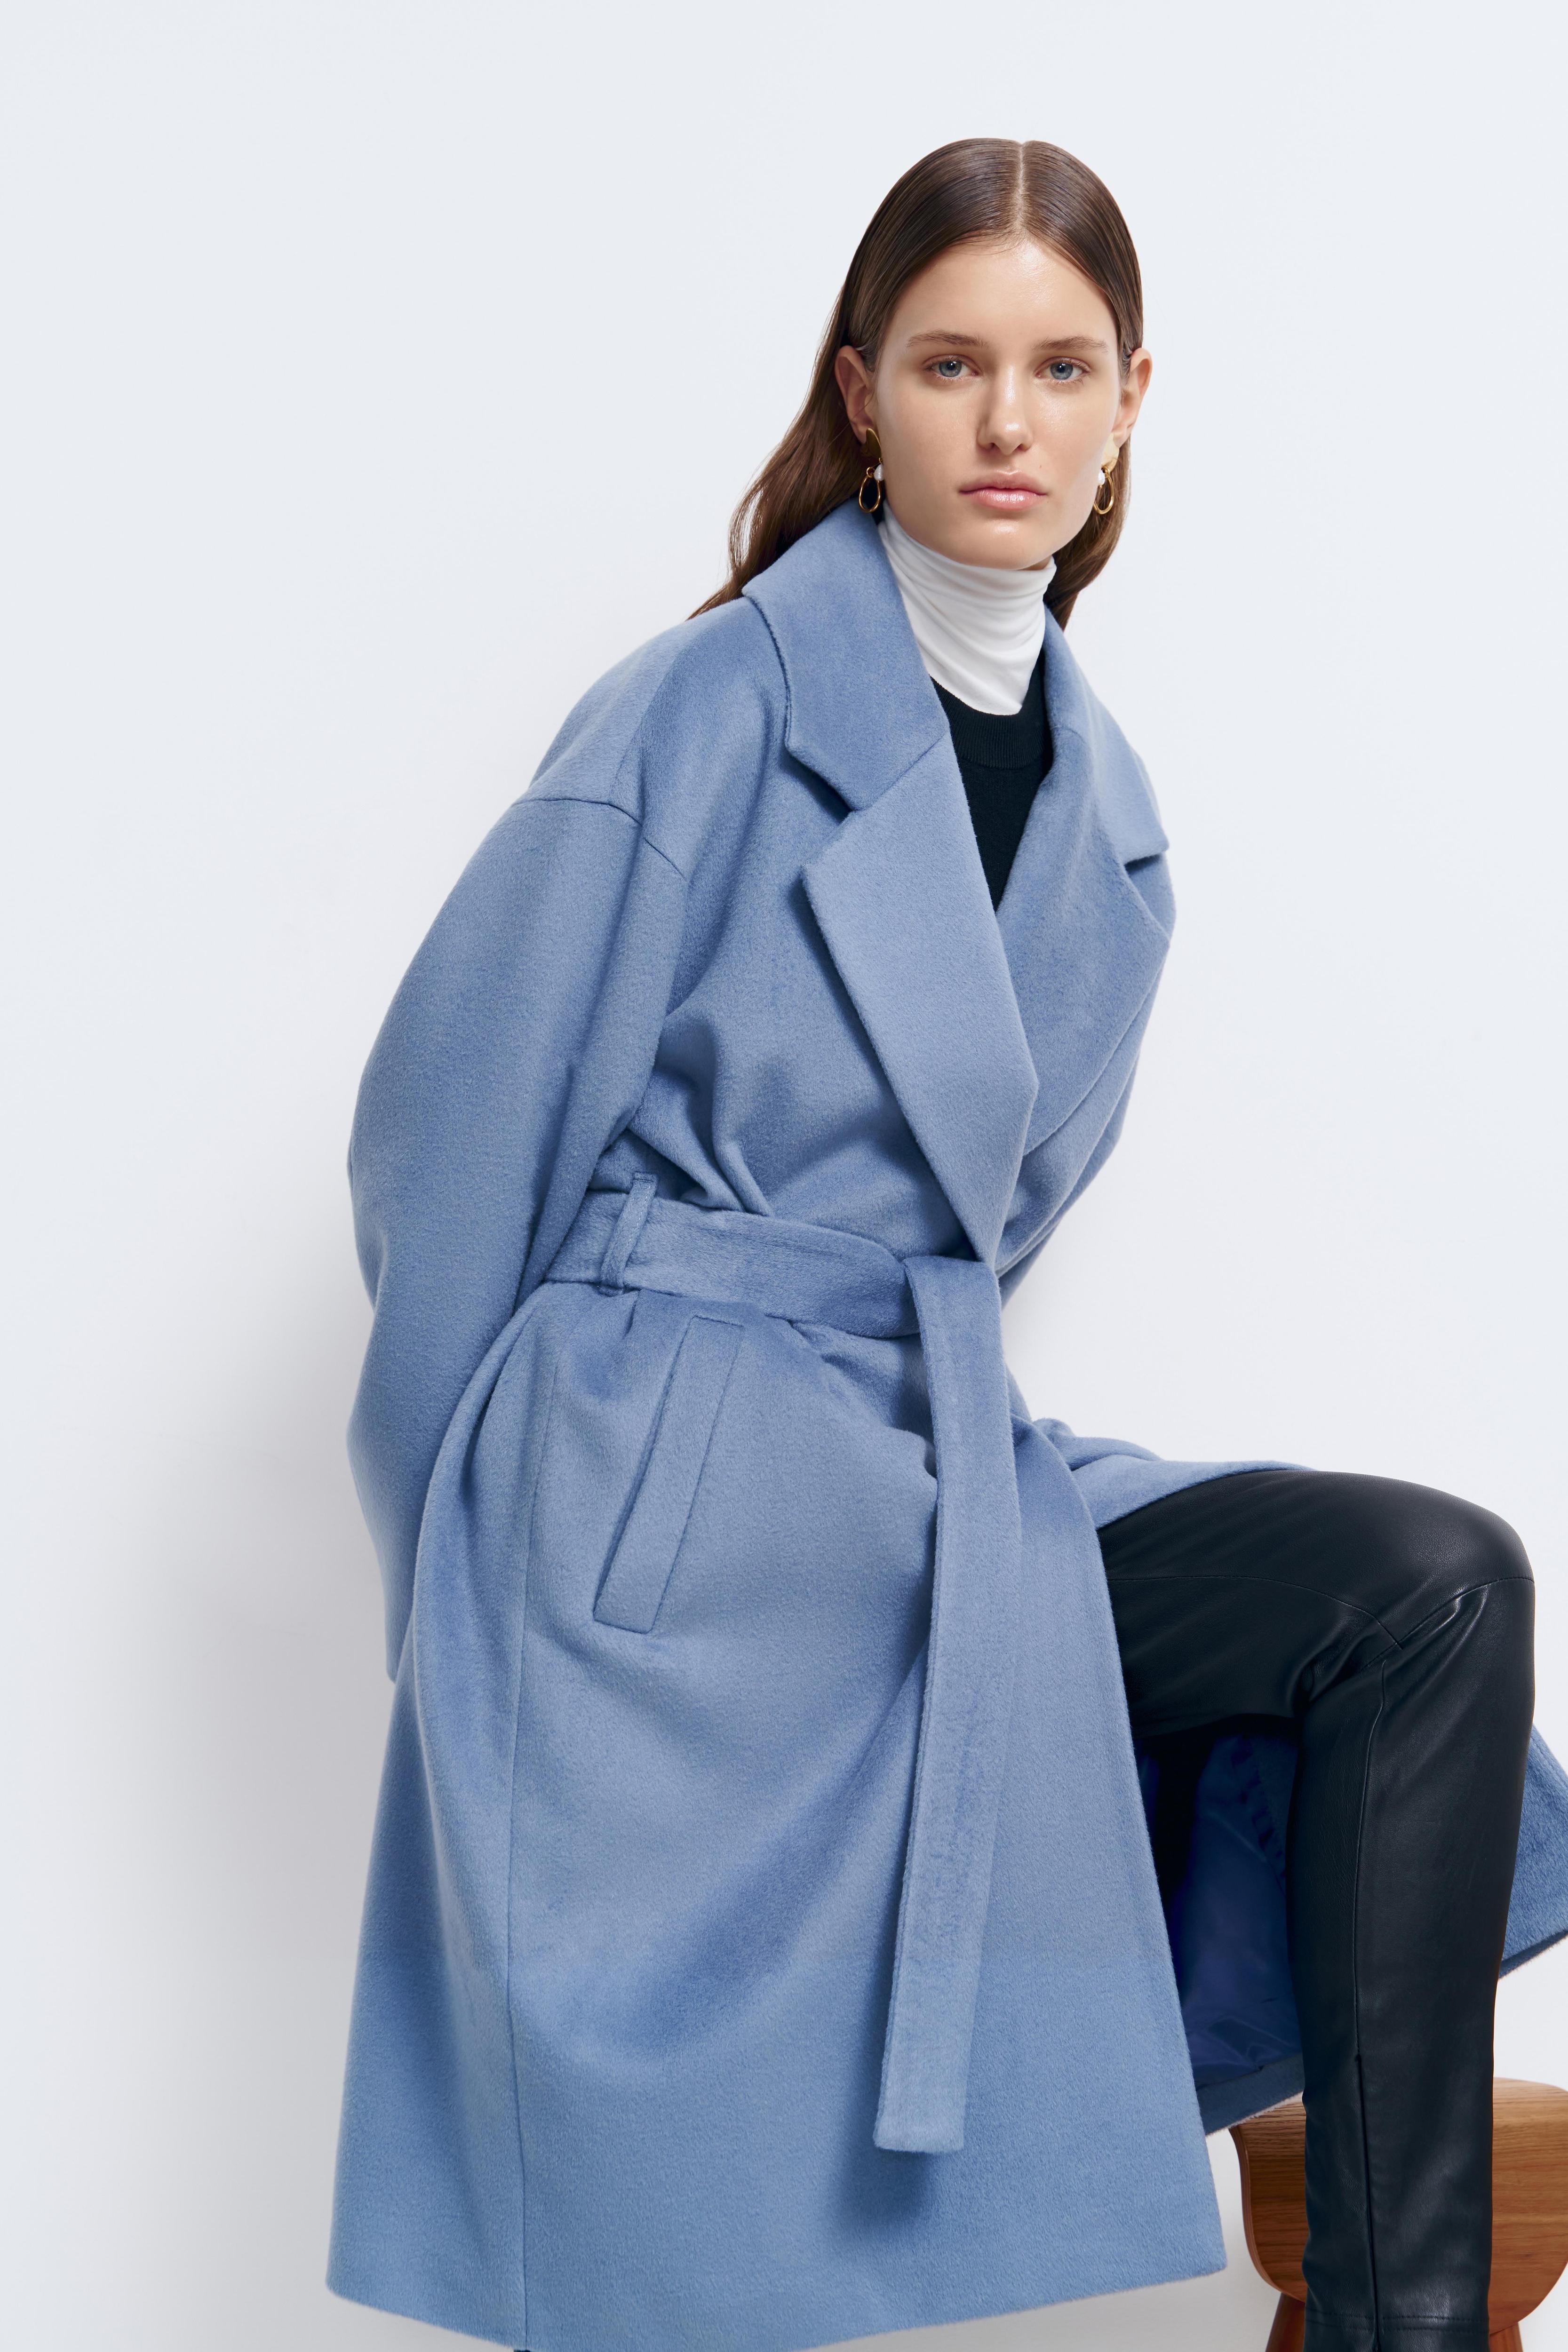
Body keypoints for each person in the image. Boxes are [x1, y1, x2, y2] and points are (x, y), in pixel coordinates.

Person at [327, 139, 1568, 2352]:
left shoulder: (1112, 818)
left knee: (1430, 1584)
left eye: (1061, 367)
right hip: (646, 1509)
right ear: (862, 393)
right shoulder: (705, 707)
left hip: (925, 1467)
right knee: (660, 2236)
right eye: (950, 363)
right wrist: (470, 1582)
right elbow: (446, 1137)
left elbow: (985, 1231)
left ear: (1131, 401)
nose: (1008, 420)